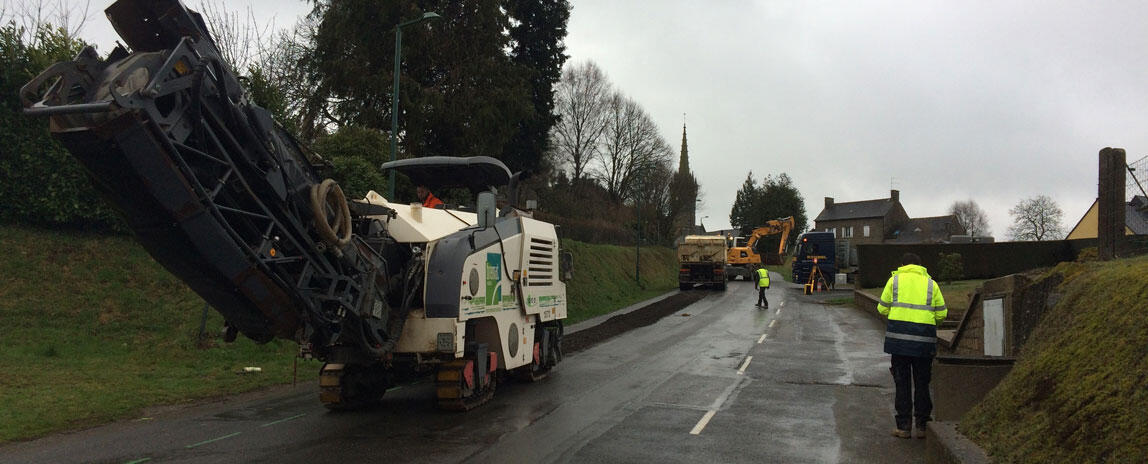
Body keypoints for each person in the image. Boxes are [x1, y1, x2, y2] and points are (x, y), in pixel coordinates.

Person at [877, 253, 947, 439]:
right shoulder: (931, 284)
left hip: (899, 343)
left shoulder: (895, 280)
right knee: (923, 383)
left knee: (902, 383)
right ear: (920, 266)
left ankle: (904, 427)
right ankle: (923, 426)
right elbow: (941, 313)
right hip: (924, 343)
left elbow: (882, 308)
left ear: (902, 264)